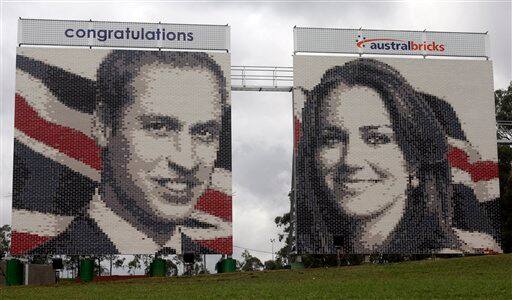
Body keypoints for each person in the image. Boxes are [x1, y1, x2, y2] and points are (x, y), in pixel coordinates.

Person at [30, 50, 232, 254]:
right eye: (159, 127)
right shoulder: (55, 256)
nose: (186, 161)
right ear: (104, 126)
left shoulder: (211, 261)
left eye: (204, 133)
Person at [294, 58, 502, 254]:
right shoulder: (319, 249)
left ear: (413, 159)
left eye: (376, 138)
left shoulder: (454, 255)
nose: (351, 160)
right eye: (331, 140)